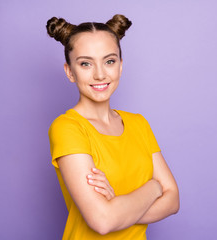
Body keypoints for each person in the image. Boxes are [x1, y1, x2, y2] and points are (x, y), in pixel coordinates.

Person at [46, 14, 179, 239]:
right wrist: (154, 188)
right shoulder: (67, 127)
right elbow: (102, 221)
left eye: (109, 61)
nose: (100, 74)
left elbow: (173, 200)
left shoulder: (139, 123)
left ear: (120, 66)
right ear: (70, 72)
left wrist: (117, 208)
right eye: (85, 63)